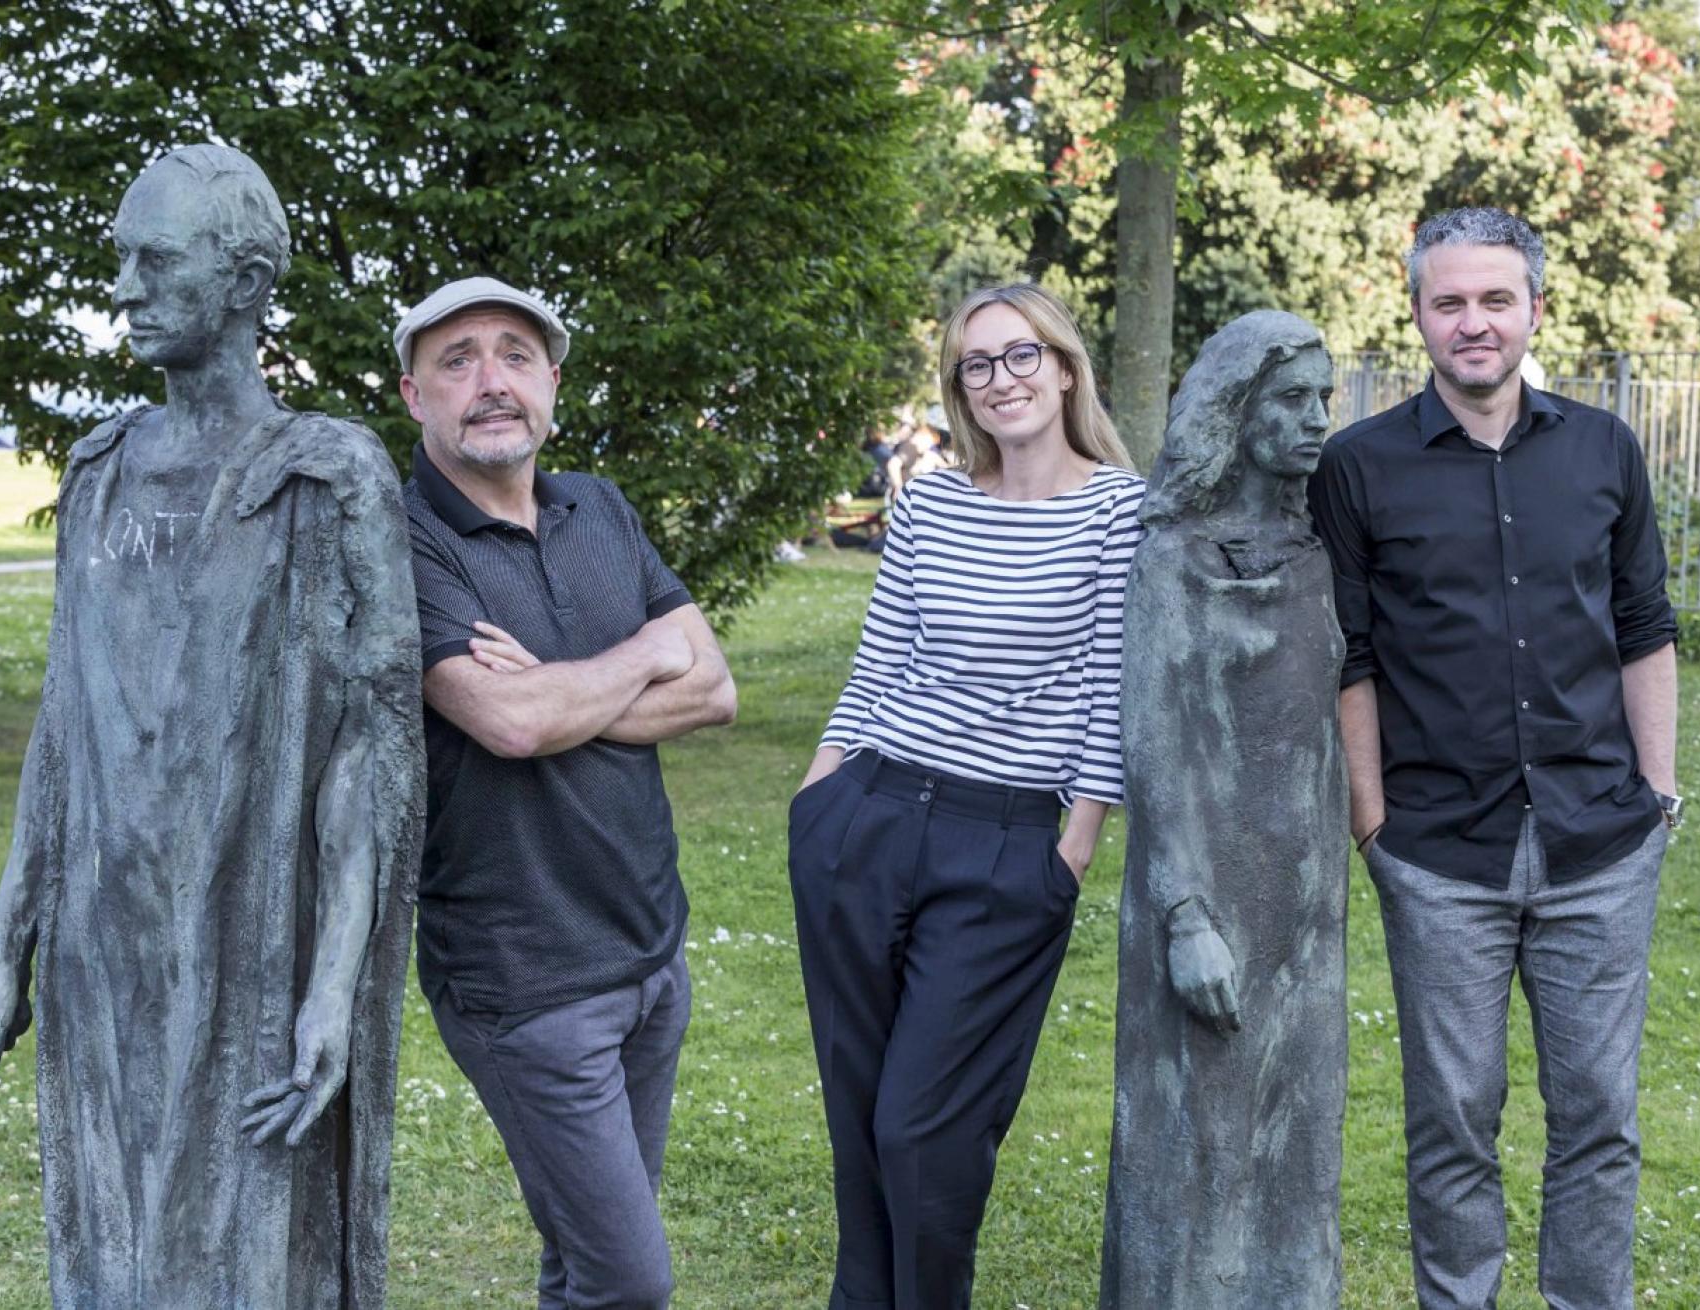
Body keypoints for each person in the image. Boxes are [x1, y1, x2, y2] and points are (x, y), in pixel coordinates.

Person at [0, 144, 424, 1308]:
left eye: (154, 261)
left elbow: (374, 746)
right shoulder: (102, 472)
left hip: (256, 941)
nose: (123, 288)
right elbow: (64, 723)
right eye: (119, 259)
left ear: (248, 283)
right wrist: (7, 938)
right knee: (106, 1247)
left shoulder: (331, 476)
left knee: (254, 1253)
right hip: (103, 955)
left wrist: (333, 981)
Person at [1309, 206, 1681, 1310]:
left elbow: (1645, 624)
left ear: (1535, 308)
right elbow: (1349, 656)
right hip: (1437, 852)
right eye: (1450, 301)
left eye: (1495, 299)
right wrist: (1372, 822)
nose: (1474, 322)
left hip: (1601, 843)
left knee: (1599, 1117)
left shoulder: (1604, 447)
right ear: (1418, 310)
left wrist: (1659, 795)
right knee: (1454, 1119)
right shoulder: (1357, 466)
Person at [788, 282, 1146, 1308]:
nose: (1001, 380)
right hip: (866, 819)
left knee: (923, 1127)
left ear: (1067, 367)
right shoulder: (933, 499)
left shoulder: (1122, 509)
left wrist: (1073, 842)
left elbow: (1108, 688)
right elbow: (880, 657)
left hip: (1007, 845)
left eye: (1022, 355)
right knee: (860, 1122)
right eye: (976, 365)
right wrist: (819, 794)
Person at [396, 275, 737, 1308]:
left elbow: (715, 689)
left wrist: (565, 674)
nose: (490, 381)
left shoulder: (601, 506)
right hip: (524, 979)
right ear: (414, 395)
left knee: (583, 1262)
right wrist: (643, 654)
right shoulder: (397, 539)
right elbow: (508, 721)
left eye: (514, 353)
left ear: (553, 379)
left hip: (648, 951)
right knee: (630, 1279)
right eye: (457, 360)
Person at [1101, 310, 1347, 1308]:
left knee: (1298, 1148)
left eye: (1324, 397)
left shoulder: (1318, 549)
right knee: (1197, 1153)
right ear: (1237, 410)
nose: (1316, 418)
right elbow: (1155, 743)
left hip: (1309, 904)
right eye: (1291, 399)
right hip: (1201, 894)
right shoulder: (1173, 561)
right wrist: (1186, 914)